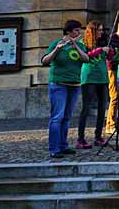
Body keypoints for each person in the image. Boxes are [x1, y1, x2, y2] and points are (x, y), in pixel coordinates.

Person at [42, 19, 90, 158]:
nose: (78, 32)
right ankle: (54, 148)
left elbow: (86, 59)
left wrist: (76, 46)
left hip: (74, 85)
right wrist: (57, 49)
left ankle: (63, 146)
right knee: (57, 117)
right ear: (68, 32)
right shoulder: (56, 44)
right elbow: (45, 61)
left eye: (79, 30)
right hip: (59, 84)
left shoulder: (79, 45)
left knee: (67, 117)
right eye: (76, 30)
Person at [76, 21, 112, 149]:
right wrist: (100, 49)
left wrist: (111, 52)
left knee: (102, 108)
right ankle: (80, 138)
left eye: (102, 30)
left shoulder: (102, 42)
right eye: (99, 30)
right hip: (89, 78)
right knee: (86, 108)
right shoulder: (82, 43)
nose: (101, 33)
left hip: (102, 78)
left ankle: (98, 136)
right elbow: (86, 56)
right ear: (92, 31)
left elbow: (109, 58)